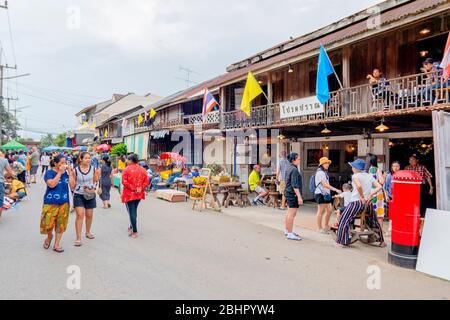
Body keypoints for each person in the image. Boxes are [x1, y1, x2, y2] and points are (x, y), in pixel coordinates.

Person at [336, 159, 385, 248]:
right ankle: (381, 241)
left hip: (356, 202)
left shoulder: (355, 176)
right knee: (374, 221)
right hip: (367, 203)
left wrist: (362, 196)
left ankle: (341, 242)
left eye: (353, 167)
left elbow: (358, 186)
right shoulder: (369, 176)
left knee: (343, 219)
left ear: (356, 168)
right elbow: (379, 186)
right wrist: (370, 195)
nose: (352, 168)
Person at [40, 154, 75, 253]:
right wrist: (59, 173)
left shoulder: (67, 173)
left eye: (65, 162)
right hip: (50, 202)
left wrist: (70, 173)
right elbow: (51, 184)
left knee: (61, 224)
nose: (64, 164)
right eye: (62, 162)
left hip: (64, 202)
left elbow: (72, 186)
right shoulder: (49, 173)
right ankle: (49, 236)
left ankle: (56, 244)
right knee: (48, 224)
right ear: (55, 163)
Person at [73, 152, 101, 247]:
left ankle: (88, 232)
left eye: (89, 158)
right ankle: (78, 237)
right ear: (81, 159)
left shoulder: (93, 169)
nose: (88, 160)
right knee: (80, 215)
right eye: (85, 158)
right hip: (78, 194)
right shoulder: (75, 170)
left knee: (89, 215)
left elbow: (95, 180)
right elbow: (73, 184)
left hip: (90, 194)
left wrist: (97, 174)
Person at [121, 154, 150, 238]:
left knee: (131, 211)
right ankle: (131, 226)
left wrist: (133, 188)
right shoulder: (143, 169)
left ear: (130, 160)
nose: (126, 161)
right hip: (139, 193)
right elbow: (147, 181)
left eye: (127, 159)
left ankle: (135, 231)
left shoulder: (126, 169)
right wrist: (140, 188)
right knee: (133, 210)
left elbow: (124, 181)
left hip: (129, 194)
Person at [314, 157, 341, 234]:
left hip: (326, 194)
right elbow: (325, 185)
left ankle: (326, 225)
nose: (328, 164)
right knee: (320, 211)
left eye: (328, 163)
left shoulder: (324, 172)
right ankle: (319, 228)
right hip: (320, 194)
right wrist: (336, 190)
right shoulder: (320, 172)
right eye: (326, 163)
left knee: (329, 210)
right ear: (322, 164)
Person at [283, 153, 304, 241]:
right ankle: (290, 233)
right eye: (298, 159)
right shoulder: (294, 170)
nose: (299, 160)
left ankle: (287, 230)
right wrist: (299, 197)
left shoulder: (288, 167)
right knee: (292, 214)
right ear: (293, 160)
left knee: (289, 213)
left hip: (288, 192)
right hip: (292, 194)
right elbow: (295, 185)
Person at [368, 154, 386, 230]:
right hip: (378, 192)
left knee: (373, 211)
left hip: (371, 191)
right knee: (379, 212)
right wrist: (384, 176)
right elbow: (381, 182)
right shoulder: (377, 169)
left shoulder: (370, 169)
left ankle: (373, 228)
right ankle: (380, 230)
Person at [0, 151, 14, 217]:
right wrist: (4, 177)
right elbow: (10, 172)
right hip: (0, 182)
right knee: (0, 201)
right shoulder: (4, 160)